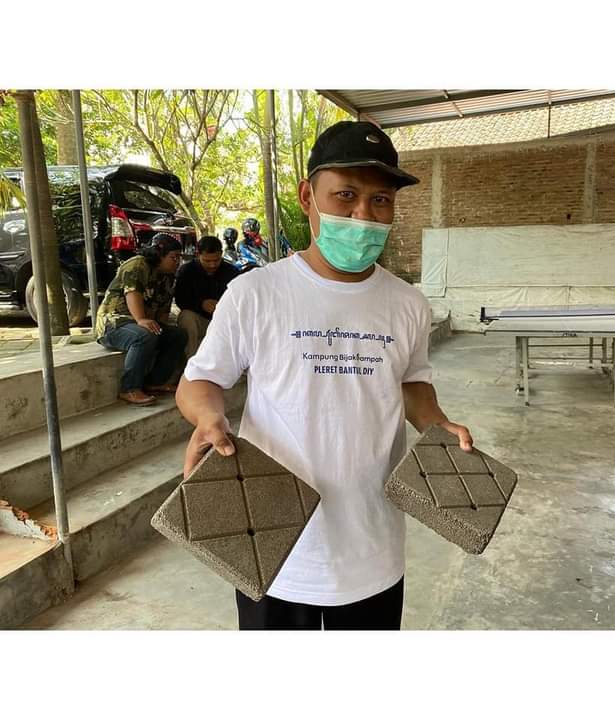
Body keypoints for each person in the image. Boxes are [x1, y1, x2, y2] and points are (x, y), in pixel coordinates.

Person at [176, 120, 473, 630]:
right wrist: (208, 418)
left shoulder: (407, 304)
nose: (364, 215)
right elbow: (199, 381)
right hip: (274, 546)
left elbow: (412, 383)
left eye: (381, 200)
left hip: (373, 547)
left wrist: (437, 422)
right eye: (346, 195)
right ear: (307, 197)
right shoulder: (255, 294)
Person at [96, 233, 187, 406]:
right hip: (113, 323)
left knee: (178, 335)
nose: (177, 262)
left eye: (179, 258)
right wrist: (141, 319)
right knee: (144, 335)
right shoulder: (137, 264)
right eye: (173, 257)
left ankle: (156, 382)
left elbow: (163, 309)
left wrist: (161, 328)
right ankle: (129, 388)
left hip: (138, 323)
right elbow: (132, 292)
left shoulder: (168, 276)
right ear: (159, 255)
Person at [174, 235, 240, 359]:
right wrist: (201, 304)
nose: (212, 265)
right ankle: (191, 363)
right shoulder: (187, 271)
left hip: (225, 321)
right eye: (207, 261)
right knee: (186, 317)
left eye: (216, 260)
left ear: (221, 254)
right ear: (198, 255)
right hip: (200, 319)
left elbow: (240, 299)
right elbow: (180, 299)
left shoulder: (232, 272)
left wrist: (223, 306)